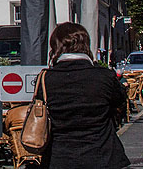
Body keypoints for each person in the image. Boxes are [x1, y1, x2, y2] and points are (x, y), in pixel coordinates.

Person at [39, 22, 130, 169]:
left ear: (55, 47)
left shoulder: (45, 79)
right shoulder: (104, 76)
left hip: (60, 157)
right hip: (103, 154)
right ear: (86, 45)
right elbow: (120, 104)